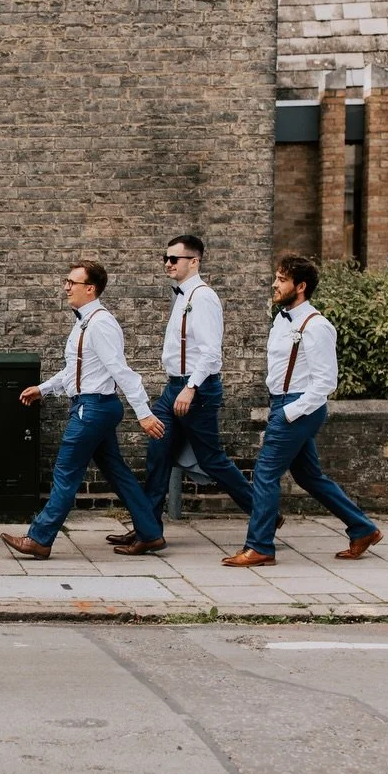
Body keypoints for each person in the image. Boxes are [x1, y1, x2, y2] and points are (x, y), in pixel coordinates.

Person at [222, 255, 382, 567]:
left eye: (282, 279)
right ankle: (363, 528)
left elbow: (325, 382)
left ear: (301, 286)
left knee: (266, 474)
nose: (274, 284)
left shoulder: (317, 326)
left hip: (300, 407)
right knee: (309, 476)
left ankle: (260, 546)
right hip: (283, 403)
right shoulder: (282, 320)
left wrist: (290, 413)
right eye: (277, 278)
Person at [1, 260, 167, 560]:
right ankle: (151, 533)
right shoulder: (84, 322)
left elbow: (121, 370)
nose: (66, 287)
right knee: (118, 472)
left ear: (90, 289)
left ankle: (39, 538)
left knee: (66, 474)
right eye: (66, 281)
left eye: (72, 283)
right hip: (94, 407)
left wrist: (143, 412)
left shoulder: (101, 323)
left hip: (92, 410)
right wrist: (43, 389)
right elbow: (73, 370)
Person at [109, 234, 258, 547]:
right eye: (166, 258)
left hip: (197, 390)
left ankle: (264, 512)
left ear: (195, 261)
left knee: (212, 460)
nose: (167, 263)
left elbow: (211, 353)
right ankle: (148, 529)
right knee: (158, 454)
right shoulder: (182, 296)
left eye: (174, 259)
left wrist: (190, 388)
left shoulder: (203, 297)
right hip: (173, 387)